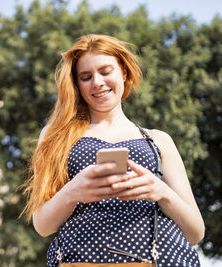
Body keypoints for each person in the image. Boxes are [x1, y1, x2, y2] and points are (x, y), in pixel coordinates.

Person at [22, 34, 204, 266]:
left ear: (124, 72)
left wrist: (161, 191)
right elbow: (43, 225)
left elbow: (196, 233)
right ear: (77, 85)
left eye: (106, 71)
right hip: (81, 259)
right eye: (86, 77)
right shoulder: (56, 136)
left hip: (162, 258)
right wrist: (73, 191)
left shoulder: (158, 140)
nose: (97, 82)